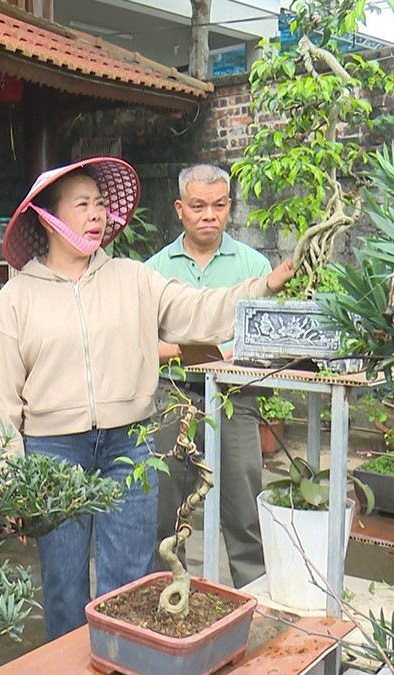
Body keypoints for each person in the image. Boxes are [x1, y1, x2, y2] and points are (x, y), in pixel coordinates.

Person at [0, 157, 294, 640]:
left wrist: (264, 285)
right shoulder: (16, 298)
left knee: (129, 582)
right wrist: (8, 479)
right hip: (52, 453)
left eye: (100, 204)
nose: (96, 214)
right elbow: (2, 403)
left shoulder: (133, 278)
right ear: (48, 217)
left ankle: (124, 663)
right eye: (82, 204)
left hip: (128, 445)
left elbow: (196, 310)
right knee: (64, 586)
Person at [146, 163, 272, 588]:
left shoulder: (254, 266)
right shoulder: (154, 269)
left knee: (243, 508)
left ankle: (255, 595)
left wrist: (233, 355)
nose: (209, 215)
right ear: (180, 208)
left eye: (219, 205)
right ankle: (166, 594)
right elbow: (141, 341)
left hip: (235, 396)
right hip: (173, 396)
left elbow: (264, 338)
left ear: (229, 207)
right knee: (165, 510)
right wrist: (191, 354)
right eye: (198, 206)